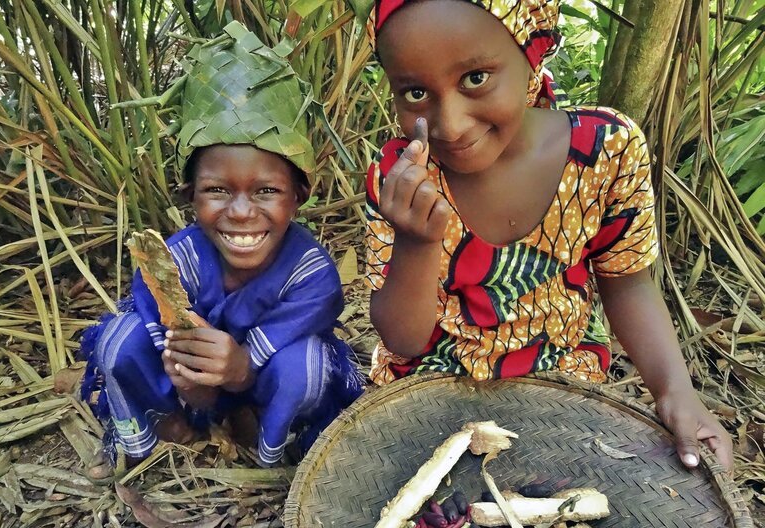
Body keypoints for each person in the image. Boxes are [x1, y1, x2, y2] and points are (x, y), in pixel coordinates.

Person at [365, 0, 733, 471]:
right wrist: (416, 241)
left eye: (475, 78)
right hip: (428, 385)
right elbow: (405, 339)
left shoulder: (606, 151)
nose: (450, 124)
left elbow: (630, 285)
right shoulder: (401, 176)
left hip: (561, 379)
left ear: (530, 54)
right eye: (415, 92)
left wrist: (675, 391)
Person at [81, 21, 363, 481]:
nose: (240, 212)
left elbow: (280, 351)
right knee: (118, 340)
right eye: (216, 190)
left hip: (259, 381)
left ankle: (277, 445)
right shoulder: (170, 260)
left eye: (267, 190)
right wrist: (195, 389)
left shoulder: (312, 274)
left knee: (308, 365)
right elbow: (169, 347)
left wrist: (241, 371)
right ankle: (159, 432)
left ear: (299, 196)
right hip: (189, 385)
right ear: (190, 195)